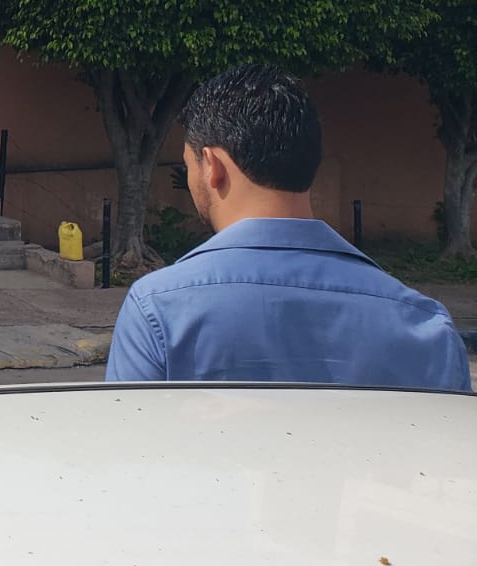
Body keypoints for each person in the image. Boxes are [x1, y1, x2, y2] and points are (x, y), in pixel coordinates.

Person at [107, 64, 471, 391]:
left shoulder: (157, 310)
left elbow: (126, 456)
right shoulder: (427, 327)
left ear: (211, 165)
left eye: (187, 164)